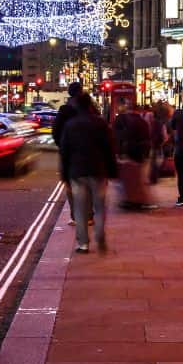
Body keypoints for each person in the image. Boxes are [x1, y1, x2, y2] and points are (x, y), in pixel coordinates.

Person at [59, 93, 117, 254]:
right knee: (99, 206)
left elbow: (65, 152)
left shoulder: (70, 125)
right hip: (98, 171)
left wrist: (64, 175)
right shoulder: (100, 123)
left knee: (80, 208)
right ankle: (99, 236)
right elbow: (109, 149)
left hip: (77, 172)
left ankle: (83, 244)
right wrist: (112, 170)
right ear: (90, 105)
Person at [52, 82, 89, 226]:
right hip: (86, 152)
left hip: (69, 153)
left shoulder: (64, 110)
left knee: (71, 185)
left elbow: (55, 132)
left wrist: (62, 146)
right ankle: (88, 215)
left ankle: (75, 216)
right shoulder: (88, 109)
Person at [112, 100, 154, 210]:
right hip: (139, 153)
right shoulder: (142, 121)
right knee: (138, 178)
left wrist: (119, 151)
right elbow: (147, 138)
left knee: (126, 178)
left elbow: (117, 135)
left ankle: (129, 199)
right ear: (138, 110)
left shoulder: (122, 119)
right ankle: (137, 200)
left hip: (127, 152)